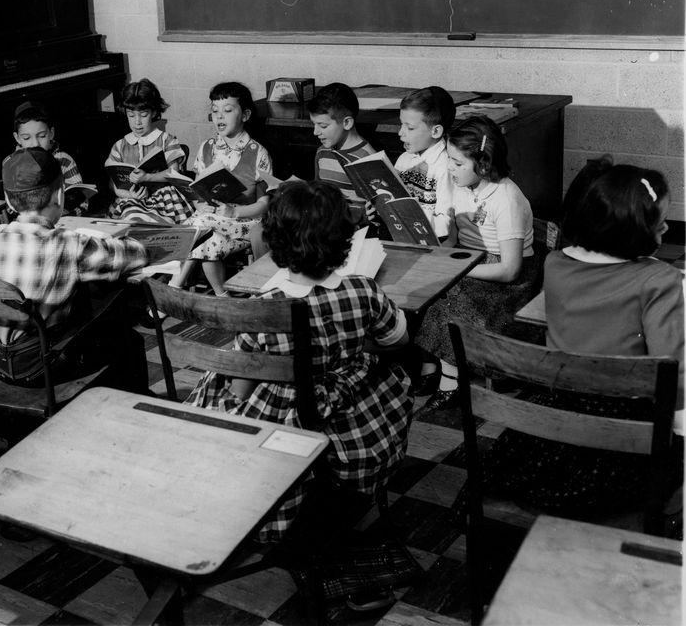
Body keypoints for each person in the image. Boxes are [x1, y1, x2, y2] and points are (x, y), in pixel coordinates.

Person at [186, 180, 411, 542]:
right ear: (343, 241)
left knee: (216, 389)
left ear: (275, 241)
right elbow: (398, 339)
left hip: (282, 422)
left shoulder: (261, 307)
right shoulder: (363, 289)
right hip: (352, 427)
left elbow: (240, 389)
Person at [472, 158, 683, 515]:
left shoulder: (555, 264)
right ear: (631, 231)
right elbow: (671, 373)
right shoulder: (659, 280)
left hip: (554, 424)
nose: (665, 231)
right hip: (622, 438)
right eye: (659, 223)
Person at [0, 147, 149, 389]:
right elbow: (136, 255)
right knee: (127, 336)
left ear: (8, 200)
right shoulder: (66, 244)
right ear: (60, 195)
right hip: (43, 366)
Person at [417, 115, 536, 410]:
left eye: (458, 163)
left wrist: (457, 271)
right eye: (450, 160)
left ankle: (450, 380)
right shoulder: (462, 185)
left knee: (451, 296)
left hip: (510, 277)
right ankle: (433, 369)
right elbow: (454, 235)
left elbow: (510, 270)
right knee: (430, 287)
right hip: (471, 260)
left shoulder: (506, 198)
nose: (450, 168)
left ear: (483, 164)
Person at [170, 82, 273, 296]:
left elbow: (264, 205)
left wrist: (233, 212)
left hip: (245, 221)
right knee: (207, 246)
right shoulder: (206, 147)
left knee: (198, 225)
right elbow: (198, 192)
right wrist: (201, 205)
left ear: (245, 115)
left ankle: (172, 289)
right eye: (215, 111)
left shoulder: (258, 152)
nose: (219, 117)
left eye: (227, 111)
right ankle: (221, 296)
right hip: (212, 221)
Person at [105, 78, 193, 224]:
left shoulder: (167, 140)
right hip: (132, 199)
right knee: (129, 220)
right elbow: (113, 183)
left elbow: (175, 173)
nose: (137, 122)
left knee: (157, 225)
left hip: (165, 200)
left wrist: (147, 178)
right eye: (131, 115)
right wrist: (127, 194)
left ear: (153, 112)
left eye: (143, 115)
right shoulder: (119, 146)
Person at [394, 86, 455, 239]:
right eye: (401, 124)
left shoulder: (444, 166)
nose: (400, 133)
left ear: (435, 131)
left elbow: (446, 223)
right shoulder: (404, 159)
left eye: (410, 128)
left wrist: (411, 220)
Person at [12, 101, 88, 213]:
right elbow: (12, 206)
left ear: (51, 133)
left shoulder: (63, 161)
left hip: (65, 218)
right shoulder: (13, 165)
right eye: (27, 138)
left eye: (42, 136)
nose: (35, 143)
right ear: (17, 138)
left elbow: (82, 201)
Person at [308, 83, 375, 193]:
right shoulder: (322, 152)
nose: (315, 132)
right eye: (313, 124)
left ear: (347, 123)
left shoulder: (368, 159)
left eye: (323, 126)